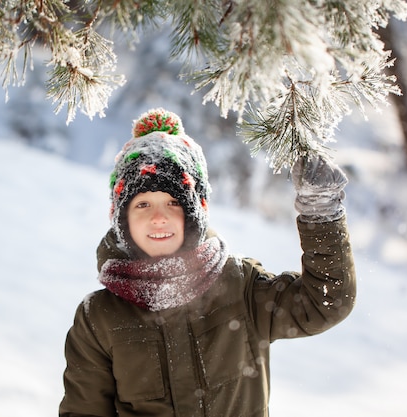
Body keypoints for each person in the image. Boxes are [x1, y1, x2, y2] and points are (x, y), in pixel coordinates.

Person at [58, 108, 356, 417]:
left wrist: (321, 213)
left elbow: (324, 304)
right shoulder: (100, 318)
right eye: (142, 204)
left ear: (194, 214)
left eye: (174, 202)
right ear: (122, 220)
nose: (158, 218)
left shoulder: (239, 285)